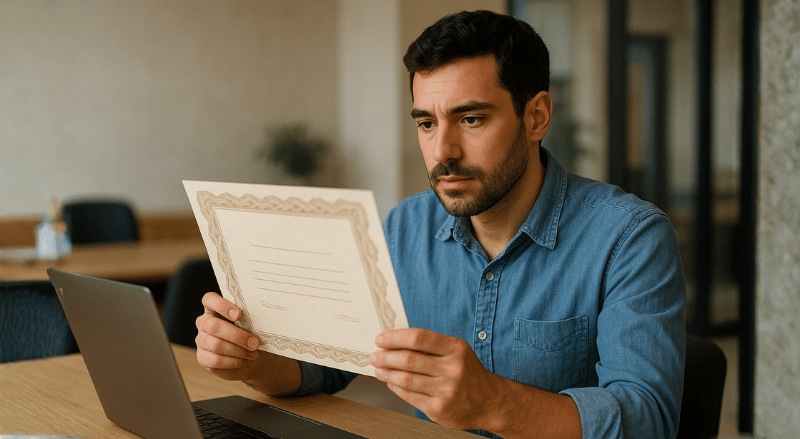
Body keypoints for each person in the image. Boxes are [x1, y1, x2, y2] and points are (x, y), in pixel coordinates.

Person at [196, 10, 686, 438]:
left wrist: (494, 402)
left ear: (536, 117)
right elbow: (320, 370)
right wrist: (253, 362)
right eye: (427, 123)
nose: (442, 152)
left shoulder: (630, 238)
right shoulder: (405, 226)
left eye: (470, 120)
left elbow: (648, 420)